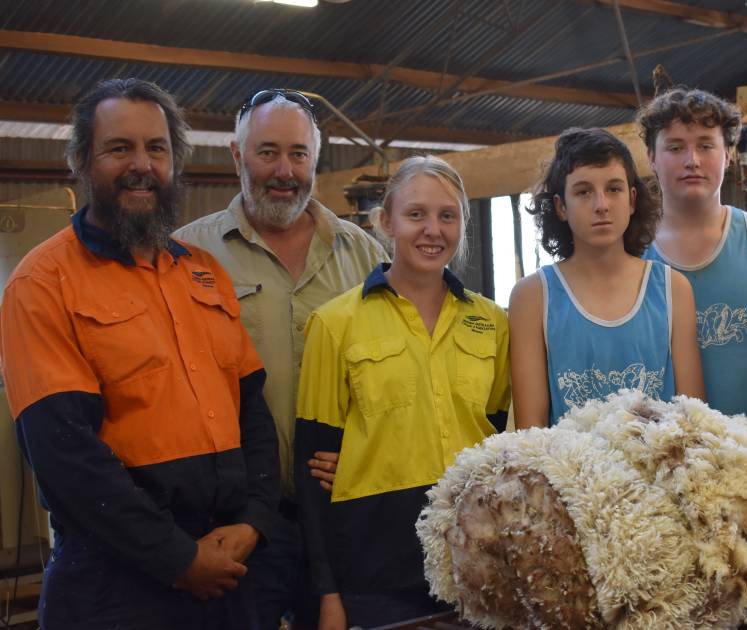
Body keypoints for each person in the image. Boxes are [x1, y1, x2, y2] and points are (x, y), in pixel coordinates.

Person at [0, 78, 279, 628]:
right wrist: (177, 558)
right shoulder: (43, 282)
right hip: (117, 585)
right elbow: (64, 455)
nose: (142, 165)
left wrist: (256, 518)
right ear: (82, 160)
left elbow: (253, 413)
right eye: (119, 147)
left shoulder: (205, 273)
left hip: (228, 570)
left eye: (157, 148)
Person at [174, 88, 387, 629]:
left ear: (316, 159)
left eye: (298, 154)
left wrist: (369, 451)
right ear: (236, 156)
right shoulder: (185, 257)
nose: (284, 171)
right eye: (268, 152)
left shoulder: (366, 255)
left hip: (341, 512)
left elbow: (396, 375)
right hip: (237, 523)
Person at [293, 156, 510, 629]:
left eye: (447, 216)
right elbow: (312, 471)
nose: (432, 230)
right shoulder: (334, 324)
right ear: (386, 221)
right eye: (416, 214)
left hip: (474, 561)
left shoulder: (493, 324)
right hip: (375, 572)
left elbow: (495, 436)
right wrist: (327, 593)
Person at [639, 87, 747, 430]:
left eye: (706, 145)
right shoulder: (630, 249)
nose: (692, 160)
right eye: (675, 147)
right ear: (651, 157)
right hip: (659, 458)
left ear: (729, 153)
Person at [509, 127, 703, 427]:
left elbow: (692, 420)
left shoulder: (672, 288)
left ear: (632, 199)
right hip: (569, 471)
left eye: (614, 188)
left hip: (657, 471)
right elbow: (530, 432)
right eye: (584, 191)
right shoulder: (532, 295)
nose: (601, 204)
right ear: (561, 206)